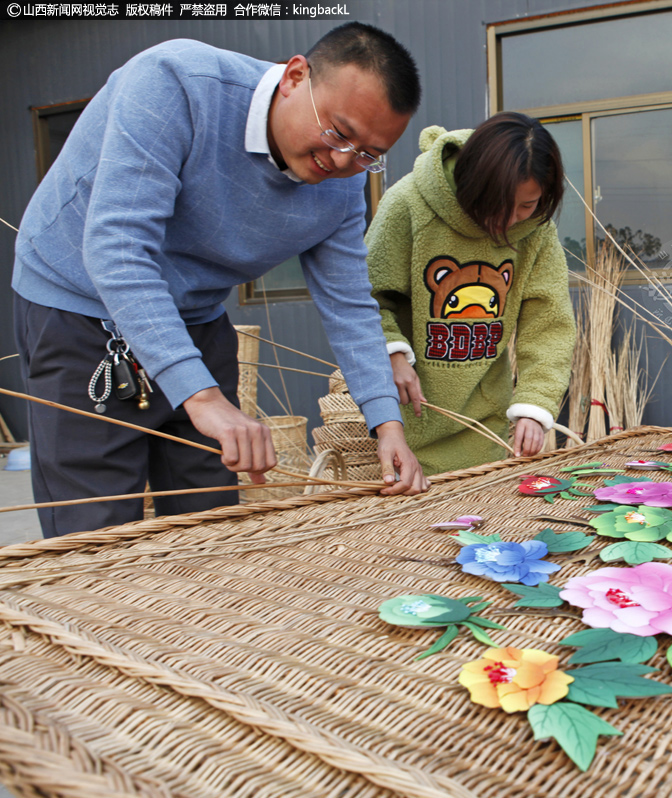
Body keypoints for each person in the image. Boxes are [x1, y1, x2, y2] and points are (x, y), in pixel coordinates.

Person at [13, 23, 430, 538]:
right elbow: (119, 250)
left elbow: (349, 303)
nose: (343, 160)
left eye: (369, 153)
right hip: (80, 309)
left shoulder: (340, 189)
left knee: (208, 520)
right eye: (339, 133)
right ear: (295, 77)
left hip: (197, 317)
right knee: (94, 531)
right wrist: (204, 398)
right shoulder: (177, 83)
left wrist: (386, 425)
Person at [365, 112, 574, 475]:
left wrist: (534, 405)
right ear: (475, 183)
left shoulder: (536, 231)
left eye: (527, 205)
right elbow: (365, 296)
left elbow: (549, 325)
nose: (512, 220)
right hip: (402, 425)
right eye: (500, 204)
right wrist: (392, 353)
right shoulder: (408, 205)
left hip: (485, 432)